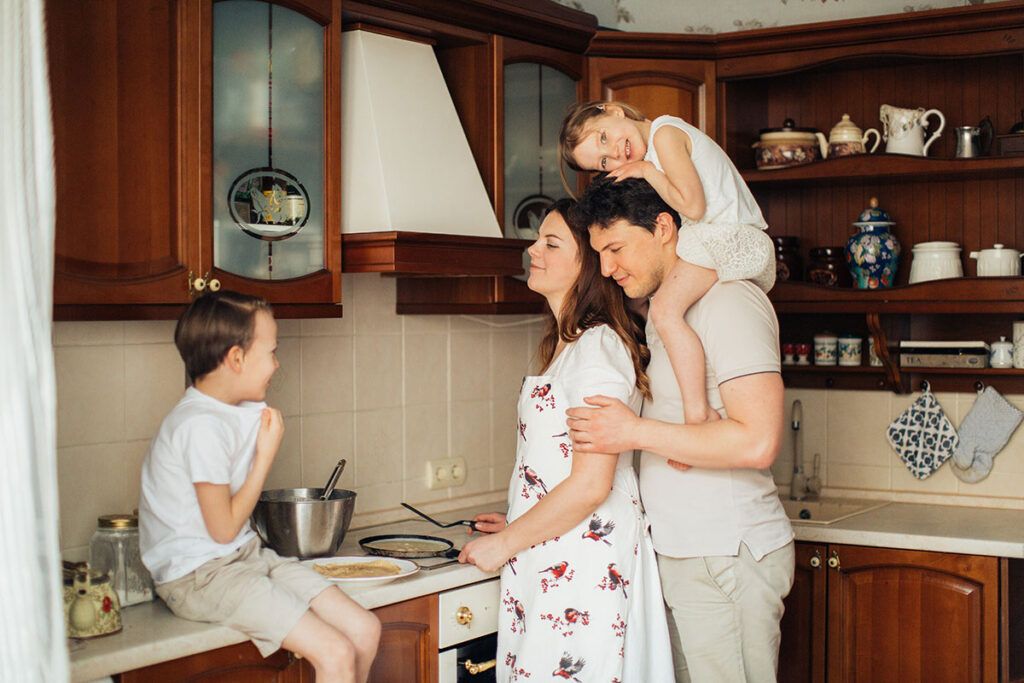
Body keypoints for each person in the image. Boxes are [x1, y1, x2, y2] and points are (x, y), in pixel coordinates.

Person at [568, 177, 794, 683]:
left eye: (616, 248)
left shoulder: (730, 301)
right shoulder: (665, 312)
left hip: (726, 553)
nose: (607, 268)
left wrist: (633, 432)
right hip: (688, 553)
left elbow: (758, 440)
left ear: (664, 228)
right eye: (599, 254)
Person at [458, 199, 674, 682]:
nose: (532, 250)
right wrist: (522, 516)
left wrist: (507, 542)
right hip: (561, 544)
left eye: (551, 243)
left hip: (586, 563)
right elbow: (560, 463)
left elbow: (593, 483)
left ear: (588, 266)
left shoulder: (597, 347)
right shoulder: (571, 343)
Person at [138, 291, 380, 683]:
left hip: (246, 558)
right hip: (200, 577)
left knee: (365, 629)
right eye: (272, 352)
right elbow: (222, 529)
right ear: (236, 358)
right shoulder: (199, 426)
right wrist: (266, 456)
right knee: (334, 652)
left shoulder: (229, 412)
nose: (276, 364)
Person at [560, 100, 775, 426]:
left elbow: (694, 206)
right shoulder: (658, 147)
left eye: (603, 137)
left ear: (614, 109)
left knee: (664, 311)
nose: (615, 155)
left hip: (731, 237)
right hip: (722, 238)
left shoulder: (665, 135)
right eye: (604, 162)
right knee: (659, 307)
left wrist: (647, 170)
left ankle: (696, 410)